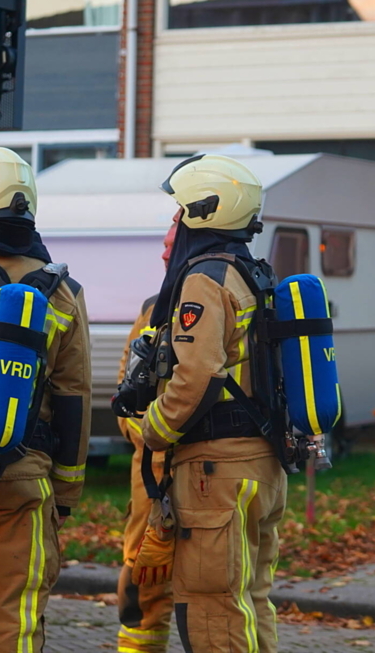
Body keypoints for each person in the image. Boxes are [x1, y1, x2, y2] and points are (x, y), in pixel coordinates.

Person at [134, 155, 287, 653]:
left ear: (203, 212)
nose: (173, 223)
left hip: (216, 475)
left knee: (213, 608)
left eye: (177, 212)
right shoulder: (252, 273)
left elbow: (197, 373)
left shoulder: (204, 278)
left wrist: (153, 429)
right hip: (260, 463)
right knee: (250, 600)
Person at [0, 148, 91, 652]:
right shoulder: (63, 291)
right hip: (24, 477)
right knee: (17, 622)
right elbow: (74, 397)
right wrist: (66, 494)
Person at [115, 214, 178, 653]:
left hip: (212, 475)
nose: (164, 252)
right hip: (152, 480)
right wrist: (145, 434)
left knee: (211, 595)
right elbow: (125, 386)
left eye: (172, 244)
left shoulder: (221, 301)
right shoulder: (152, 310)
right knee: (142, 584)